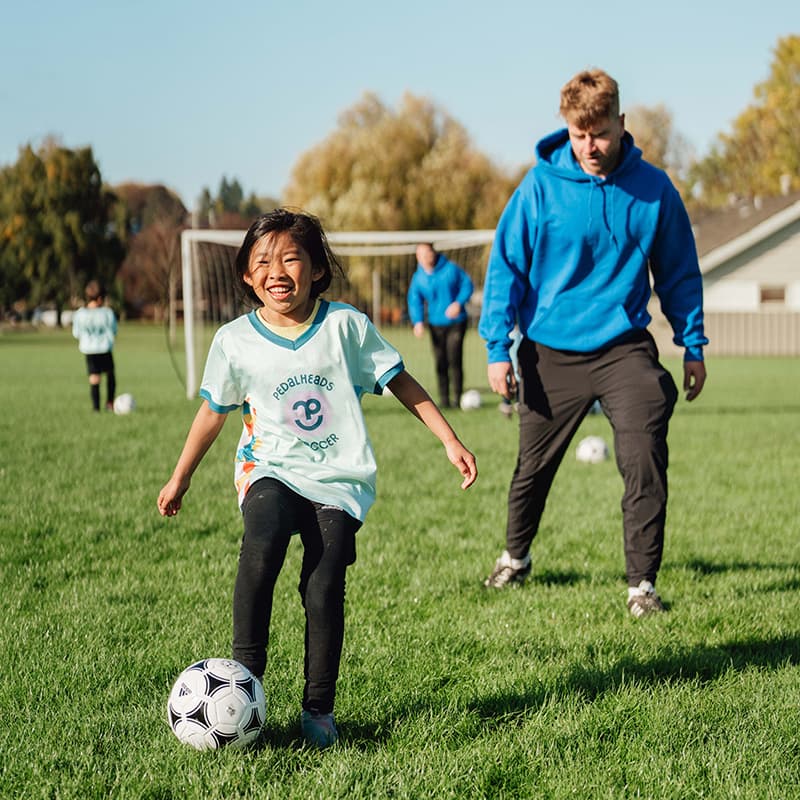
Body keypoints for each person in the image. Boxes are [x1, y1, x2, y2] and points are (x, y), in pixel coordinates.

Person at [157, 209, 477, 748]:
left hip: (339, 479)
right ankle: (242, 687)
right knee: (263, 542)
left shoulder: (345, 326)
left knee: (324, 585)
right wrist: (180, 476)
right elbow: (213, 413)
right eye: (262, 261)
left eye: (289, 258)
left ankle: (318, 709)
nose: (275, 271)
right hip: (270, 469)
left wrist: (449, 439)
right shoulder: (234, 341)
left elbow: (400, 381)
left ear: (316, 270)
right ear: (246, 275)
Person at [479, 69, 707, 617]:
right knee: (532, 468)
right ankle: (516, 556)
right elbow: (505, 268)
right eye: (580, 136)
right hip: (549, 350)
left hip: (622, 347)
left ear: (621, 123)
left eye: (600, 133)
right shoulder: (538, 187)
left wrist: (692, 343)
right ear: (567, 129)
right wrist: (495, 347)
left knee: (644, 450)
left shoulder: (653, 190)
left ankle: (641, 587)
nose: (591, 147)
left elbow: (679, 271)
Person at [407, 243, 474, 408]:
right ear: (417, 257)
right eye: (420, 255)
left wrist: (458, 303)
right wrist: (418, 322)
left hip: (456, 323)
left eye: (427, 253)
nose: (424, 257)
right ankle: (444, 401)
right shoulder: (419, 277)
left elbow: (467, 285)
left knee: (454, 359)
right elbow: (414, 300)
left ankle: (457, 400)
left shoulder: (451, 269)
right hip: (435, 325)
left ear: (433, 253)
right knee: (440, 361)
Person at [72, 280, 118, 412]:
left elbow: (76, 333)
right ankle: (109, 403)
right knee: (110, 375)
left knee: (94, 377)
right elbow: (114, 330)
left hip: (89, 350)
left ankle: (96, 408)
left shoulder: (80, 314)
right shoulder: (107, 313)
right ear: (100, 298)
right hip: (104, 348)